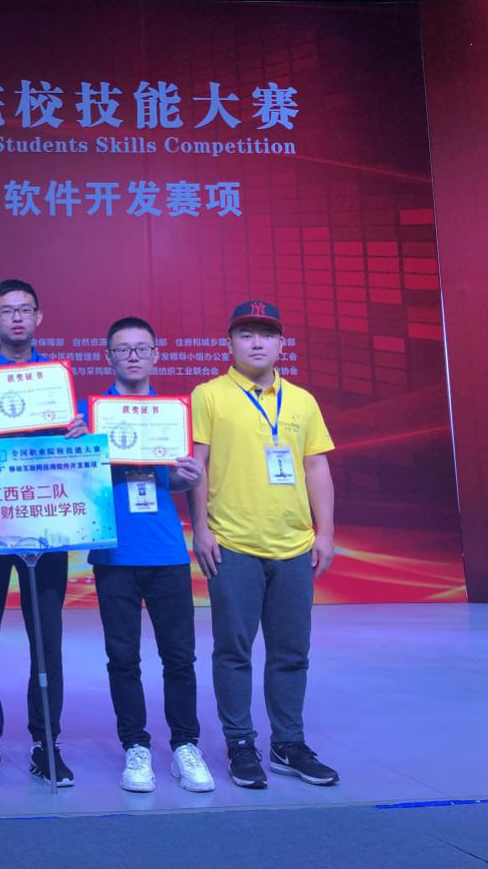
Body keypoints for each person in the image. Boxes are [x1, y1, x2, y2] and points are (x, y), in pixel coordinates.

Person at [188, 300, 339, 789]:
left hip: (294, 546)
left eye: (267, 334)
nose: (257, 343)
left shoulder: (302, 401)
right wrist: (201, 528)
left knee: (292, 652)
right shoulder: (208, 395)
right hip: (232, 544)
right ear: (229, 343)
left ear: (281, 344)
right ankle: (240, 744)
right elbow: (197, 465)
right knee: (233, 650)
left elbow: (316, 466)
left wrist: (325, 531)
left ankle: (288, 744)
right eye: (246, 334)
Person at [0, 278, 87, 788]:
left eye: (26, 309)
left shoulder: (55, 375)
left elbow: (73, 442)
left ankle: (45, 743)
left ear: (39, 317)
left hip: (44, 518)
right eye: (7, 311)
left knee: (46, 638)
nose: (17, 318)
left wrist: (76, 431)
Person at [78, 316, 215, 793]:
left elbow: (171, 479)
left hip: (166, 551)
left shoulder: (171, 414)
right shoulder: (90, 413)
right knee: (123, 658)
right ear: (109, 357)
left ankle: (185, 746)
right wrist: (79, 446)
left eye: (142, 348)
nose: (133, 356)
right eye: (123, 349)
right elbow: (77, 476)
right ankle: (135, 747)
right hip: (114, 554)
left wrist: (186, 476)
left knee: (179, 657)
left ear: (156, 355)